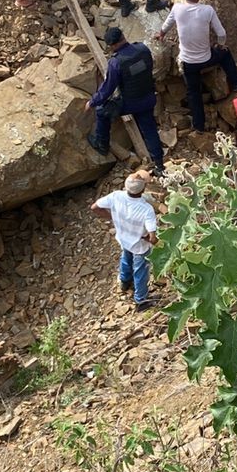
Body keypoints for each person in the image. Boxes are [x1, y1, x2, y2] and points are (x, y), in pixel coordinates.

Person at [158, 0, 237, 132]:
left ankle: (199, 125)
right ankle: (236, 81)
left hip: (188, 62)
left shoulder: (177, 9)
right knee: (225, 54)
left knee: (193, 94)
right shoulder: (207, 10)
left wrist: (161, 34)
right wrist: (220, 45)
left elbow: (167, 24)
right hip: (206, 58)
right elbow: (221, 33)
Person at [86, 27, 165, 174]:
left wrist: (93, 101)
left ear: (113, 45)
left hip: (131, 103)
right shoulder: (143, 49)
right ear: (123, 36)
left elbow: (108, 88)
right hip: (148, 98)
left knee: (101, 111)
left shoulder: (116, 62)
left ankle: (101, 144)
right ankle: (160, 165)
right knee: (150, 130)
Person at [91, 171, 159, 310]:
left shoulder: (116, 196)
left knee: (126, 259)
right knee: (141, 271)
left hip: (123, 238)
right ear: (143, 189)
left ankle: (124, 281)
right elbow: (152, 238)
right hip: (139, 245)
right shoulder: (146, 209)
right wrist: (152, 239)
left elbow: (95, 207)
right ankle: (141, 300)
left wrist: (113, 218)